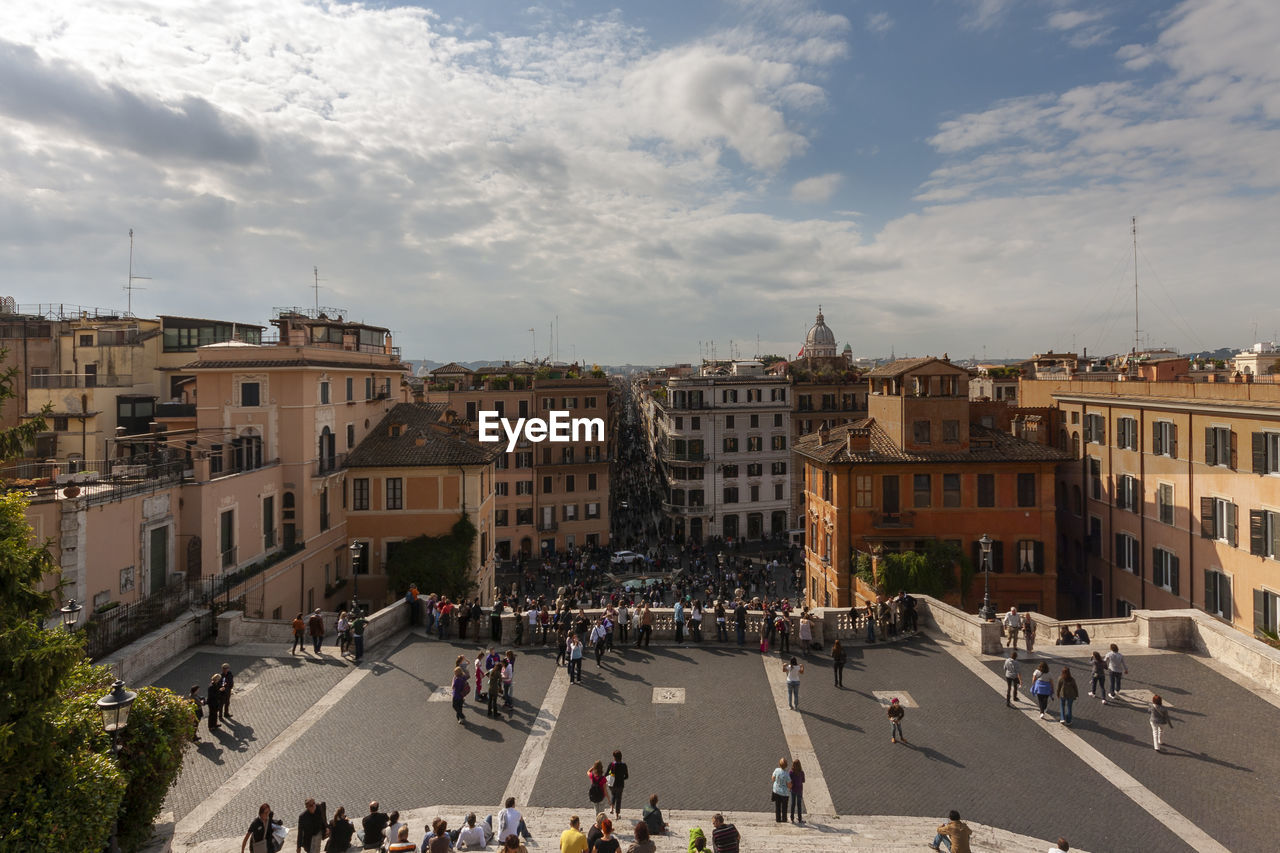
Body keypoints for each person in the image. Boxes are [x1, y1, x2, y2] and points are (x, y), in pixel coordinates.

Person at [607, 749, 629, 818]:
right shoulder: (624, 765)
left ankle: (611, 807)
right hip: (620, 784)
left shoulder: (612, 764)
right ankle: (617, 814)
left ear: (614, 757)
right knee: (618, 798)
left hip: (612, 784)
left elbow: (607, 773)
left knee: (613, 795)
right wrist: (622, 778)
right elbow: (627, 776)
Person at [770, 759, 790, 823]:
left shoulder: (776, 770)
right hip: (784, 793)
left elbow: (773, 779)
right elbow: (789, 785)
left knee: (777, 806)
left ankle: (778, 819)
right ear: (786, 765)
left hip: (776, 791)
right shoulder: (787, 774)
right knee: (784, 808)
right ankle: (784, 819)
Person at [788, 758, 806, 823]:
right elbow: (803, 781)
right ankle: (800, 818)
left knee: (793, 804)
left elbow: (789, 781)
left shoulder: (791, 772)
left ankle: (792, 818)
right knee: (799, 804)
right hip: (799, 790)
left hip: (793, 790)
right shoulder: (801, 772)